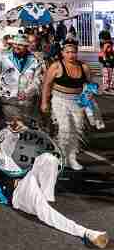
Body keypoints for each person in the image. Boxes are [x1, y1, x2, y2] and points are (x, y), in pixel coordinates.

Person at [0, 127, 108, 248]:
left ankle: (46, 198)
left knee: (49, 159)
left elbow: (11, 137)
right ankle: (87, 233)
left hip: (25, 179)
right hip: (17, 195)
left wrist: (15, 128)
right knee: (44, 211)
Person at [40, 41, 94, 171]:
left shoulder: (84, 67)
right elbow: (47, 84)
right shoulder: (56, 66)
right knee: (64, 128)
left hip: (77, 101)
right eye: (68, 52)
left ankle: (72, 157)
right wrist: (44, 102)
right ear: (62, 53)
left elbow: (90, 86)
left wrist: (88, 102)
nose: (71, 55)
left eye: (74, 52)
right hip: (59, 100)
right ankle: (60, 157)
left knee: (77, 129)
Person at [0, 34, 43, 123]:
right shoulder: (2, 56)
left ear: (26, 46)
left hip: (26, 102)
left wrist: (27, 92)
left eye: (20, 44)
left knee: (23, 127)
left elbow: (37, 80)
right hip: (6, 99)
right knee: (7, 126)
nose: (17, 46)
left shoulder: (35, 60)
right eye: (15, 44)